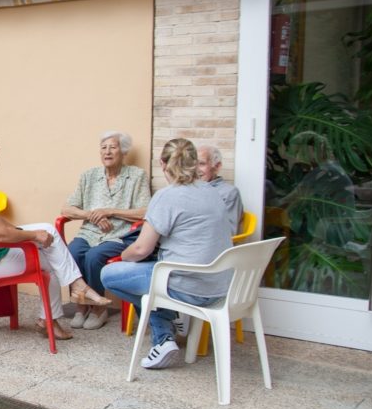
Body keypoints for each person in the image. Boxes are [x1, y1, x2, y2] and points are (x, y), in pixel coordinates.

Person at [0, 132, 111, 341]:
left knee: (48, 233)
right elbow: (0, 233)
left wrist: (31, 234)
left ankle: (74, 287)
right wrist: (33, 235)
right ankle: (55, 311)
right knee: (51, 263)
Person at [101, 138, 233, 370]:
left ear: (163, 164)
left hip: (188, 286)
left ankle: (164, 332)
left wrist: (125, 257)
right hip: (220, 286)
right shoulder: (213, 192)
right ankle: (166, 327)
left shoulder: (167, 196)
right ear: (194, 163)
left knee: (109, 275)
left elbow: (142, 249)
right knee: (151, 282)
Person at [61, 131, 150, 331]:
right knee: (72, 253)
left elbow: (146, 211)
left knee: (94, 256)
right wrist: (92, 215)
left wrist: (110, 211)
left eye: (113, 147)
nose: (107, 152)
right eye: (103, 148)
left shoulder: (136, 176)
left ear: (123, 151)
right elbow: (67, 209)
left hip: (118, 235)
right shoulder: (89, 176)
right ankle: (81, 305)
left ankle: (98, 309)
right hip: (89, 233)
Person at [198, 144, 244, 235]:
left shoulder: (229, 193)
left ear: (217, 166)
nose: (196, 169)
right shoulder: (189, 189)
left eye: (201, 164)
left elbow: (229, 231)